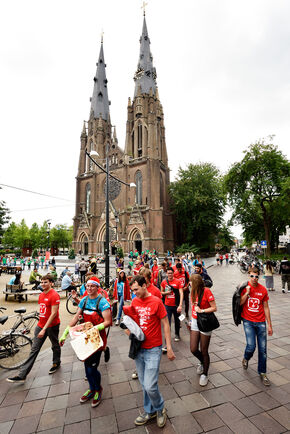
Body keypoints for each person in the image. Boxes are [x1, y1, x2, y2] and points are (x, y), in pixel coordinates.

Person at [129, 275, 175, 428]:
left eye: (136, 289)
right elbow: (132, 322)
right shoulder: (135, 301)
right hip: (139, 348)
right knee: (144, 384)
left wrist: (168, 347)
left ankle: (160, 408)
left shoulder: (156, 301)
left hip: (153, 349)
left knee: (150, 385)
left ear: (144, 285)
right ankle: (150, 411)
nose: (134, 293)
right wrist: (128, 331)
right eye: (132, 290)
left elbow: (166, 325)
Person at [60, 279, 112, 407]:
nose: (89, 288)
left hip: (97, 339)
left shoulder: (102, 302)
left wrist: (95, 329)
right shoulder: (84, 300)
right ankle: (91, 388)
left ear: (97, 288)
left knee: (92, 368)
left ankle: (98, 389)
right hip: (85, 338)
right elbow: (76, 317)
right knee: (86, 365)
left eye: (92, 286)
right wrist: (65, 334)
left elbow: (108, 321)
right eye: (87, 286)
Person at [7, 274, 61, 383]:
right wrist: (41, 325)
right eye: (41, 282)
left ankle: (56, 362)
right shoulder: (41, 295)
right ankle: (22, 374)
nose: (43, 284)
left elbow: (54, 313)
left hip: (52, 326)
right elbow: (43, 310)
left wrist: (44, 329)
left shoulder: (54, 295)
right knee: (34, 349)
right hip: (40, 325)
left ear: (51, 283)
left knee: (55, 345)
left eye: (45, 282)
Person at [240, 266, 273, 386]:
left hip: (260, 323)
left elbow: (266, 307)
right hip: (248, 321)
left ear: (259, 277)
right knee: (251, 346)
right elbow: (240, 303)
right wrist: (247, 292)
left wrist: (269, 325)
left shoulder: (263, 290)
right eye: (252, 276)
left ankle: (263, 372)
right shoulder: (244, 288)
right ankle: (246, 358)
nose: (254, 278)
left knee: (263, 350)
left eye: (256, 276)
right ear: (249, 275)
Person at [189, 274, 216, 386]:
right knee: (193, 349)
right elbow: (192, 307)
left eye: (190, 282)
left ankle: (205, 373)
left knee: (204, 350)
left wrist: (202, 311)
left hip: (205, 321)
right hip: (195, 321)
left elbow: (214, 307)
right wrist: (191, 319)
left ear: (195, 283)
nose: (189, 283)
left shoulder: (206, 291)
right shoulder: (192, 292)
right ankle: (202, 362)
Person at [160, 267, 183, 343]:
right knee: (167, 322)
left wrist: (180, 305)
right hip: (167, 305)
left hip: (176, 305)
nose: (170, 274)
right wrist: (166, 293)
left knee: (177, 321)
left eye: (171, 273)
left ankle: (177, 334)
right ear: (166, 274)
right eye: (168, 273)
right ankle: (168, 337)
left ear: (173, 273)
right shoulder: (163, 282)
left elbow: (181, 293)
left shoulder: (177, 281)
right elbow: (161, 292)